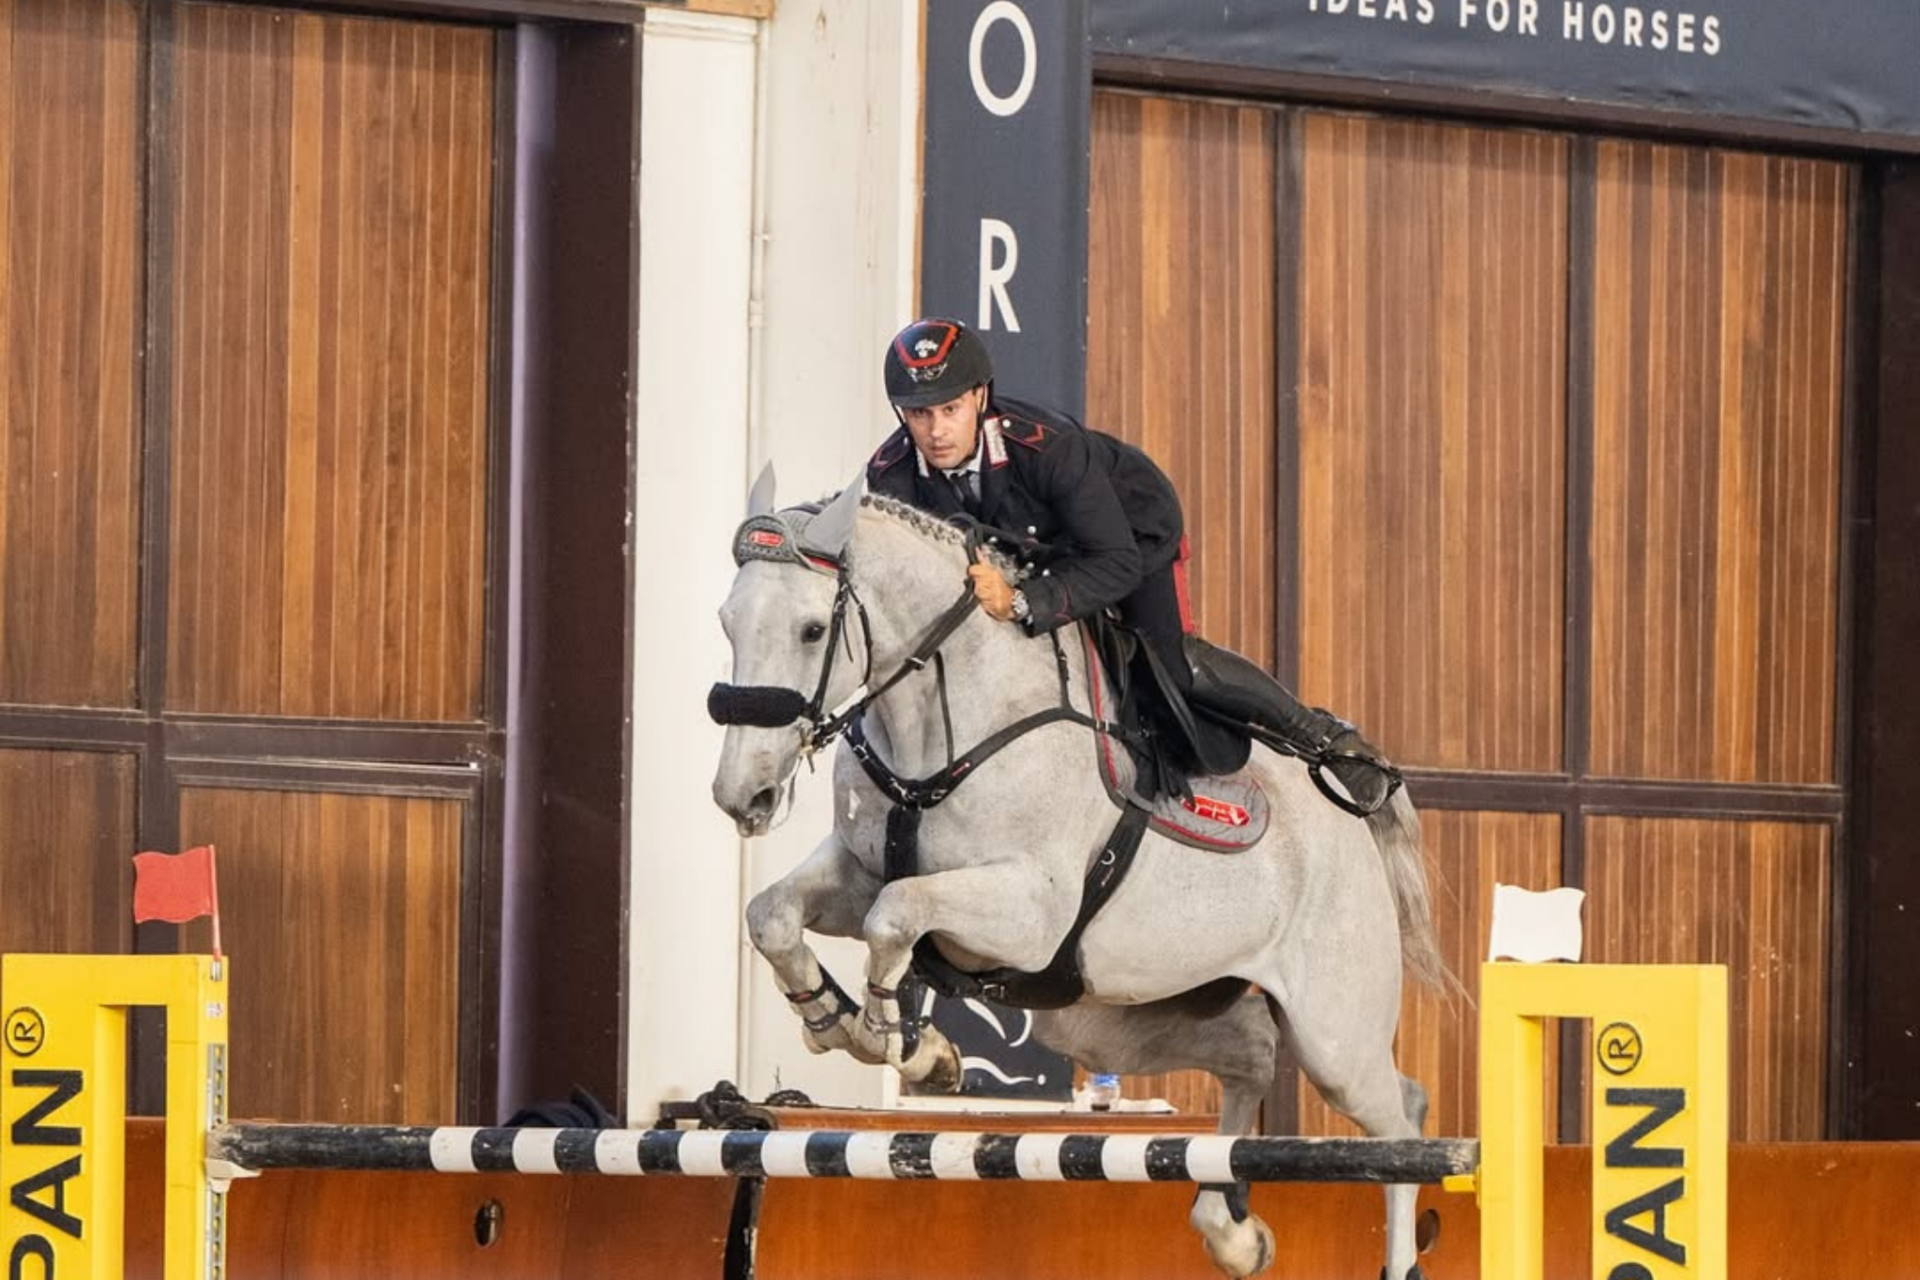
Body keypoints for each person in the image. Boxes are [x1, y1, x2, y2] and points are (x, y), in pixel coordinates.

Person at [866, 316, 1397, 814]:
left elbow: (1114, 562)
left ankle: (1327, 741)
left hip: (1127, 534)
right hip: (1033, 558)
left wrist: (1025, 601)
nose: (936, 430)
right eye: (919, 413)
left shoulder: (1047, 448)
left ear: (980, 396)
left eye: (951, 409)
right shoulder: (890, 476)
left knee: (1172, 667)